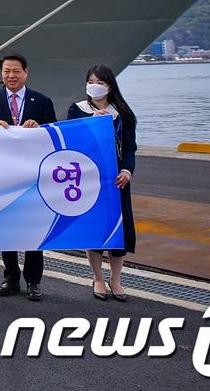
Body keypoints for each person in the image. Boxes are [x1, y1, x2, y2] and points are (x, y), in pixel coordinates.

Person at [0, 52, 56, 301]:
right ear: (1, 74)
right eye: (6, 72)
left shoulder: (42, 101)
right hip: (3, 176)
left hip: (34, 177)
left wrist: (39, 129)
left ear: (26, 72)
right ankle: (10, 277)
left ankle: (34, 281)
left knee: (34, 228)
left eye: (16, 71)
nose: (11, 76)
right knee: (7, 228)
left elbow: (54, 135)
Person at [67, 64, 137, 302]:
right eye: (91, 82)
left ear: (109, 86)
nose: (94, 87)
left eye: (100, 82)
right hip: (90, 179)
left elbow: (129, 148)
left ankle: (116, 279)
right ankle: (97, 277)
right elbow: (71, 142)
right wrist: (91, 125)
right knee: (96, 228)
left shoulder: (123, 114)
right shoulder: (78, 110)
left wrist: (127, 170)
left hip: (116, 180)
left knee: (120, 228)